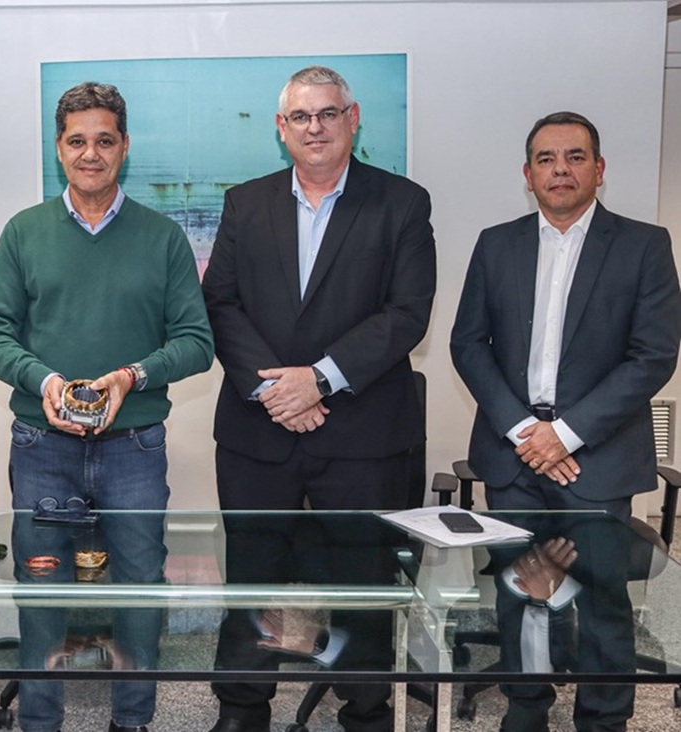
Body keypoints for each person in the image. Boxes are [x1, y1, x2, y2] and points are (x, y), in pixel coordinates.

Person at [201, 64, 436, 732]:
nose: (315, 127)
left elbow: (407, 313)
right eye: (301, 116)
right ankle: (242, 709)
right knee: (251, 577)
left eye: (328, 113)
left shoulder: (401, 202)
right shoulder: (246, 203)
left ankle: (366, 710)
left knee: (364, 585)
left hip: (362, 433)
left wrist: (320, 378)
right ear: (282, 128)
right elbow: (220, 304)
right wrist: (277, 390)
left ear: (352, 119)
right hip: (258, 429)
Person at [0, 81, 214, 732]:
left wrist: (132, 376)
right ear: (59, 148)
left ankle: (131, 721)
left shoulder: (163, 238)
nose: (91, 153)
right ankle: (41, 722)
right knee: (40, 589)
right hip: (42, 447)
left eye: (104, 140)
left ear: (124, 147)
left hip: (134, 448)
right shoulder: (23, 233)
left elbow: (196, 342)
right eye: (77, 141)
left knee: (141, 589)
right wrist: (46, 380)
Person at [450, 111, 681, 731]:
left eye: (575, 157)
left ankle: (602, 720)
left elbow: (653, 356)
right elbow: (468, 345)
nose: (560, 169)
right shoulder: (496, 243)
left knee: (602, 601)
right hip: (514, 455)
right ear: (527, 175)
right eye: (546, 159)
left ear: (598, 170)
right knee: (521, 591)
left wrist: (566, 435)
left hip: (597, 458)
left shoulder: (643, 245)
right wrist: (526, 432)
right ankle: (526, 709)